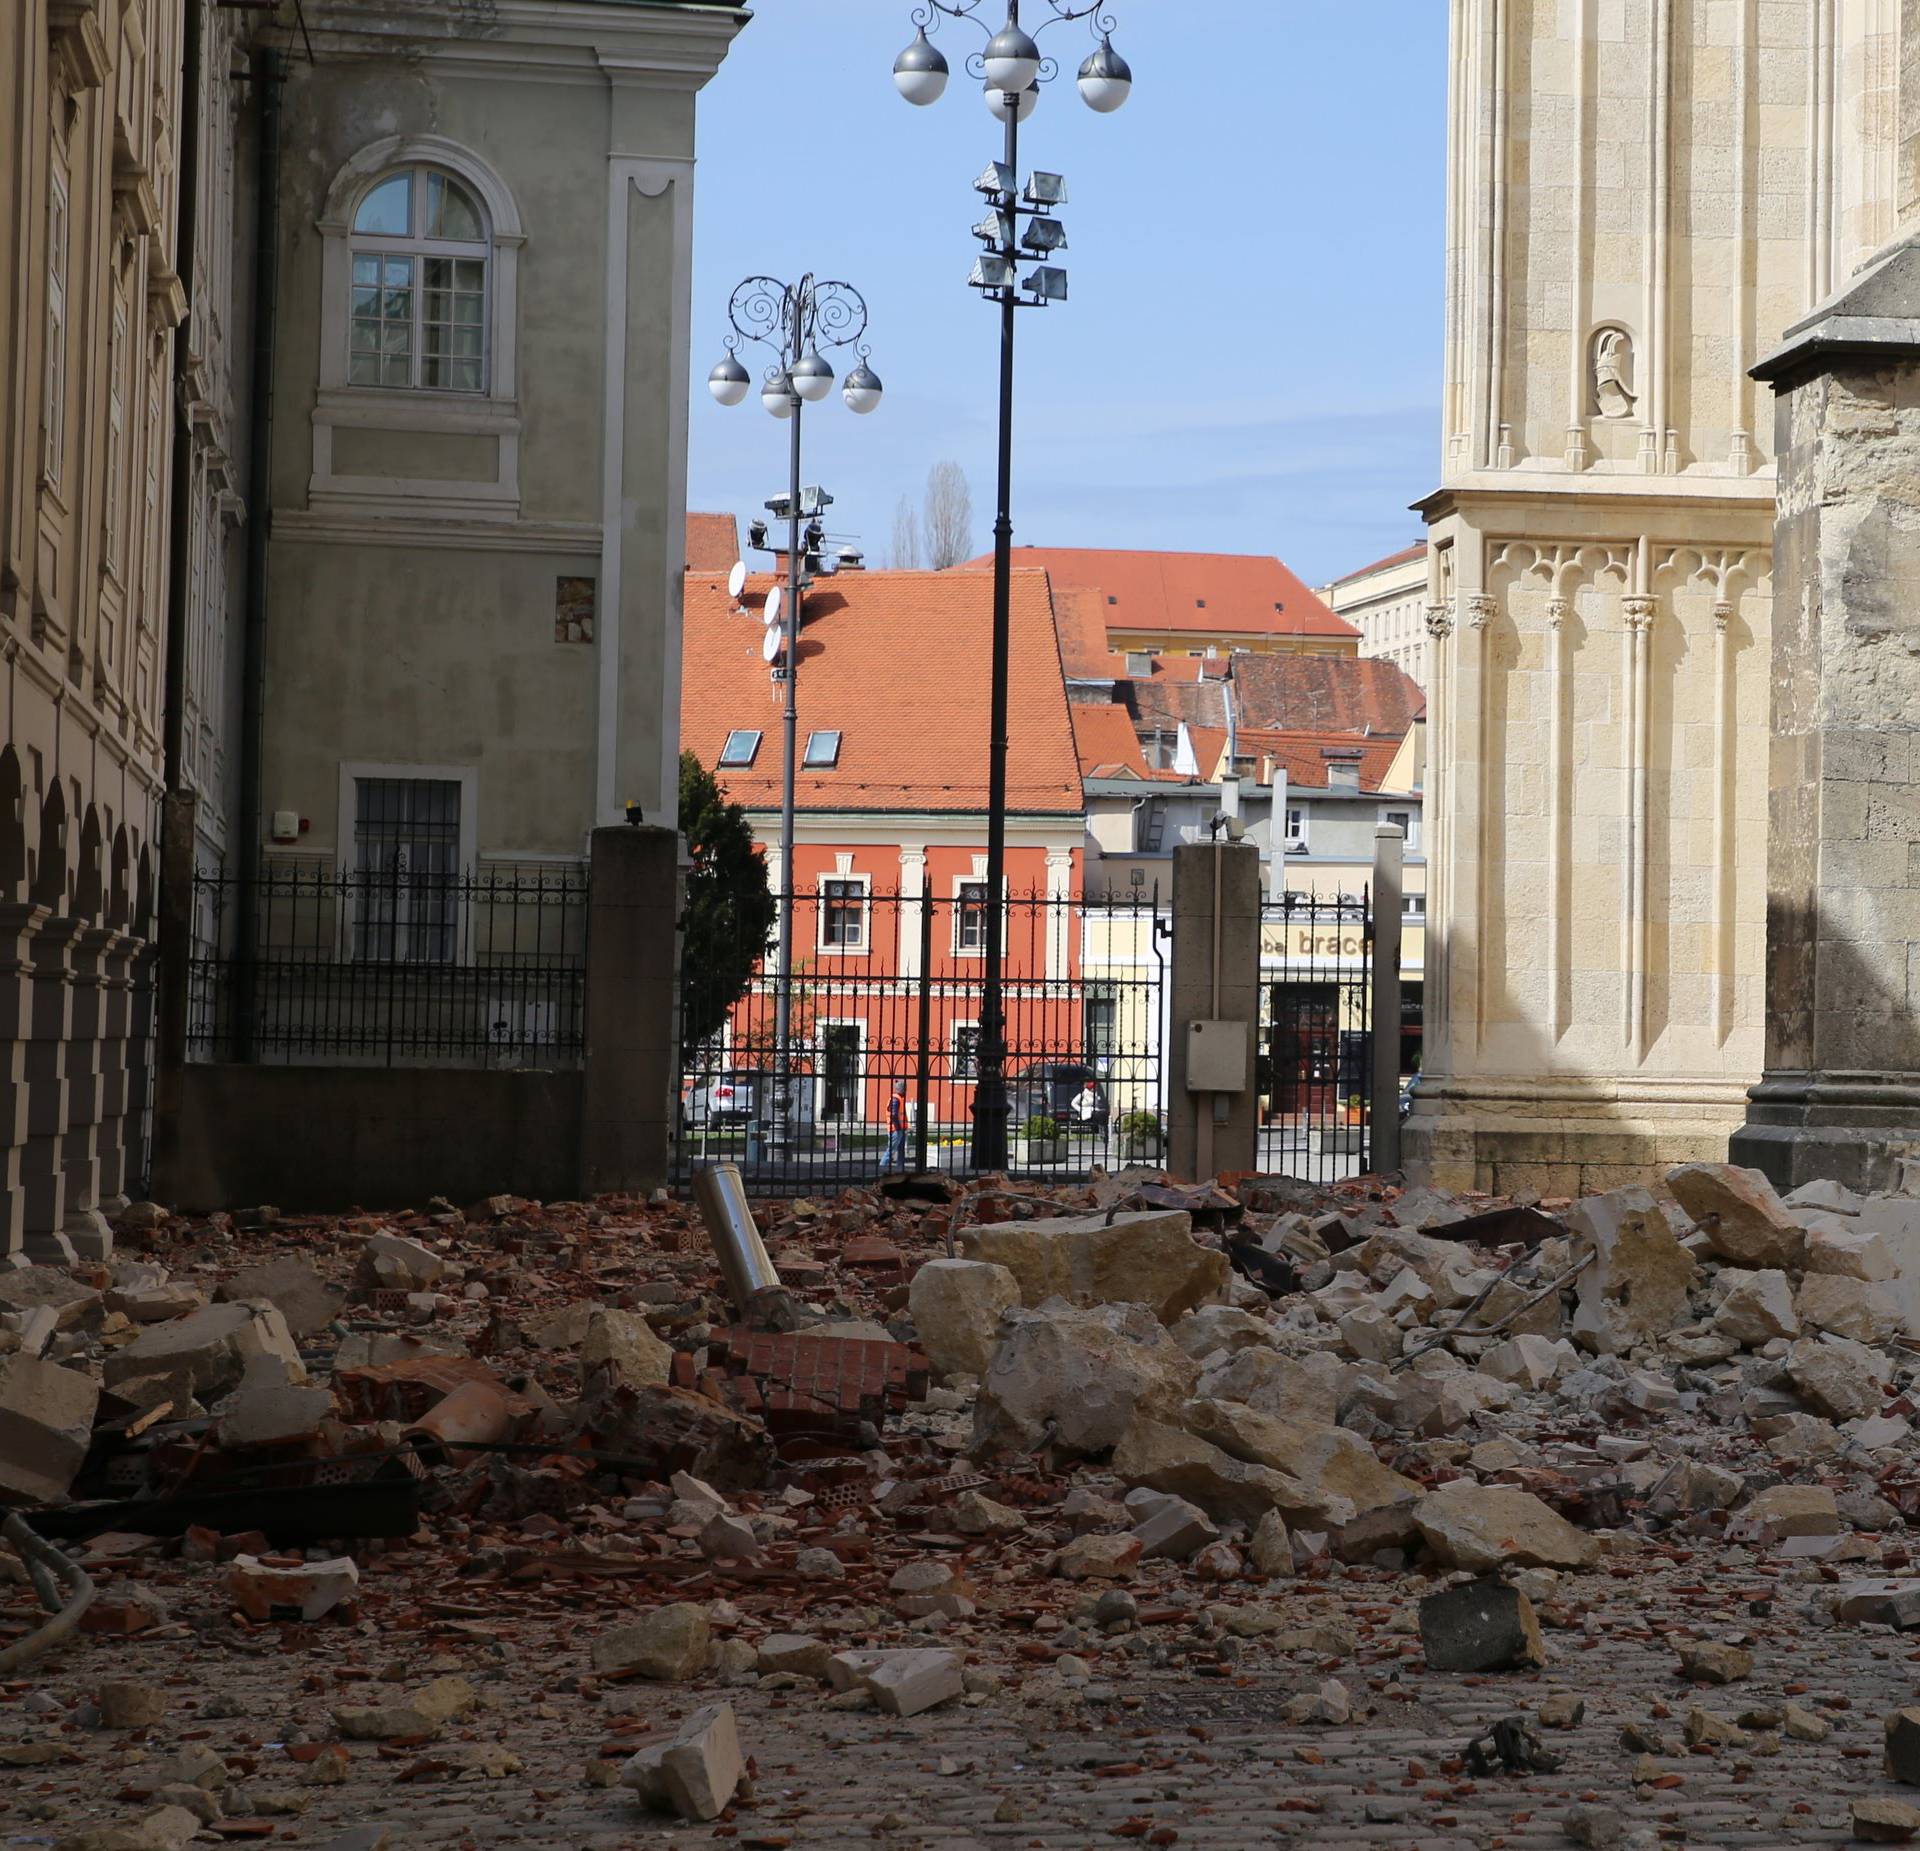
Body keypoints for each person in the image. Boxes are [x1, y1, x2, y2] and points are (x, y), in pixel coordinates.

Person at [881, 1080, 910, 1175]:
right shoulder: (896, 1099)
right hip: (895, 1130)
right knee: (890, 1151)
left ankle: (900, 1170)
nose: (906, 1090)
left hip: (899, 1129)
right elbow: (893, 1115)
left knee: (900, 1151)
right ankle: (881, 1169)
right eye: (905, 1088)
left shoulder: (899, 1099)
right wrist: (898, 1129)